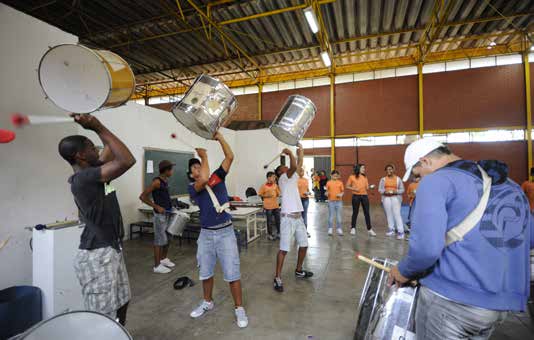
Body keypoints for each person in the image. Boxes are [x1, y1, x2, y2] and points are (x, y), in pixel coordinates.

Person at [388, 139, 534, 340]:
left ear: (426, 161)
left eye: (417, 174)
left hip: (450, 302)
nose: (418, 180)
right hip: (498, 306)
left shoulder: (436, 182)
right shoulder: (509, 185)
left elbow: (426, 250)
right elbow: (528, 238)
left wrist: (403, 271)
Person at [58, 114, 135, 325]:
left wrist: (95, 128)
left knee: (122, 300)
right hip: (97, 254)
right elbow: (127, 160)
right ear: (80, 155)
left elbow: (109, 148)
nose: (97, 150)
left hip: (111, 248)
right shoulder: (84, 179)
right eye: (92, 148)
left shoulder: (93, 171)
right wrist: (97, 126)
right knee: (101, 318)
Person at [187, 132, 248, 328]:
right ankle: (207, 302)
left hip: (225, 233)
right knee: (205, 272)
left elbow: (229, 157)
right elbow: (203, 179)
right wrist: (204, 156)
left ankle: (239, 308)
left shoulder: (217, 178)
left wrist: (219, 137)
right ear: (191, 175)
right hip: (206, 234)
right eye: (194, 168)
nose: (198, 169)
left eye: (199, 165)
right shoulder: (193, 187)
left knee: (232, 273)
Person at [273, 145, 313, 293]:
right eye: (283, 167)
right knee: (284, 249)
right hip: (287, 218)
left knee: (304, 245)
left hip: (298, 217)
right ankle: (277, 277)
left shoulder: (292, 176)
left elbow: (299, 164)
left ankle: (298, 270)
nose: (286, 167)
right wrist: (290, 154)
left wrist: (300, 151)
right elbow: (294, 165)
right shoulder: (283, 178)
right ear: (280, 172)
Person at [139, 160, 177, 274]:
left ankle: (163, 259)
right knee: (160, 240)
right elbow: (143, 196)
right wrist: (156, 206)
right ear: (166, 170)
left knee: (168, 237)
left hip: (168, 213)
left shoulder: (165, 180)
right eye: (171, 169)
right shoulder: (157, 182)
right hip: (160, 215)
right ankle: (156, 266)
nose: (172, 171)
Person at [346, 164, 376, 237]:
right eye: (363, 168)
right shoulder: (351, 177)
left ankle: (369, 229)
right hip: (356, 196)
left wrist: (371, 187)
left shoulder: (365, 177)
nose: (364, 169)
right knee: (355, 212)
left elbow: (367, 187)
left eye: (364, 168)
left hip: (364, 196)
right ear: (358, 168)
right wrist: (354, 189)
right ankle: (353, 228)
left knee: (367, 213)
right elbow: (347, 186)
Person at [378, 164, 405, 240]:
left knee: (397, 214)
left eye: (390, 169)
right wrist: (384, 192)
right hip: (386, 198)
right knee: (389, 214)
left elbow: (402, 189)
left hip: (395, 198)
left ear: (393, 170)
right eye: (387, 169)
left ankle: (401, 232)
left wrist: (395, 191)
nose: (389, 171)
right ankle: (391, 230)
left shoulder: (398, 179)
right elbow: (380, 189)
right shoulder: (383, 179)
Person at [258, 171, 281, 241]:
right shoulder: (263, 186)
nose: (274, 178)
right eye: (273, 177)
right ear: (269, 177)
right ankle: (270, 234)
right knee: (269, 221)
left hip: (275, 205)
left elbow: (278, 193)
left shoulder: (275, 185)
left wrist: (278, 194)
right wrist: (266, 195)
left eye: (275, 177)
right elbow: (260, 194)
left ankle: (279, 233)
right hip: (268, 206)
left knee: (278, 220)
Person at [326, 170, 344, 236]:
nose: (335, 177)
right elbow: (327, 191)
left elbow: (342, 191)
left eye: (336, 176)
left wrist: (341, 194)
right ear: (331, 175)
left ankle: (339, 228)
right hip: (331, 201)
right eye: (334, 176)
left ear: (338, 176)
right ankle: (330, 228)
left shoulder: (340, 183)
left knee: (338, 216)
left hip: (339, 202)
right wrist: (326, 193)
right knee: (331, 216)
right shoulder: (328, 183)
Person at [297, 168, 311, 236]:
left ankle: (305, 231)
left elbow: (308, 190)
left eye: (302, 171)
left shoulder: (306, 180)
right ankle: (298, 231)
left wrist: (308, 193)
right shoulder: (295, 180)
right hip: (298, 200)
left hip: (305, 199)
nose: (301, 173)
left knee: (304, 215)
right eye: (300, 171)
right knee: (298, 216)